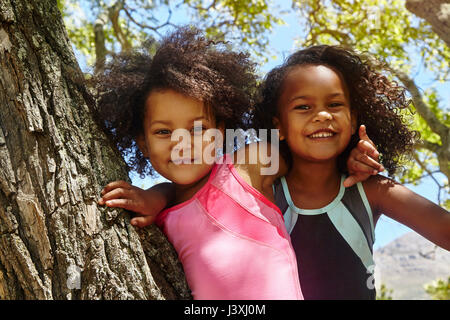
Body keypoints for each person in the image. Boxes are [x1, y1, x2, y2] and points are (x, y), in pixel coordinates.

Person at [95, 27, 382, 299]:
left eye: (197, 129)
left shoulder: (245, 166)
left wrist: (352, 156)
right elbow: (178, 196)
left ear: (220, 132)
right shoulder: (159, 213)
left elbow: (308, 151)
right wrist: (157, 196)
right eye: (163, 132)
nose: (182, 143)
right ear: (143, 143)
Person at [253, 45, 450, 299]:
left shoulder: (371, 191)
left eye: (334, 104)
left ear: (353, 119)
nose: (323, 115)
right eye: (303, 107)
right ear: (277, 125)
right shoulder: (263, 192)